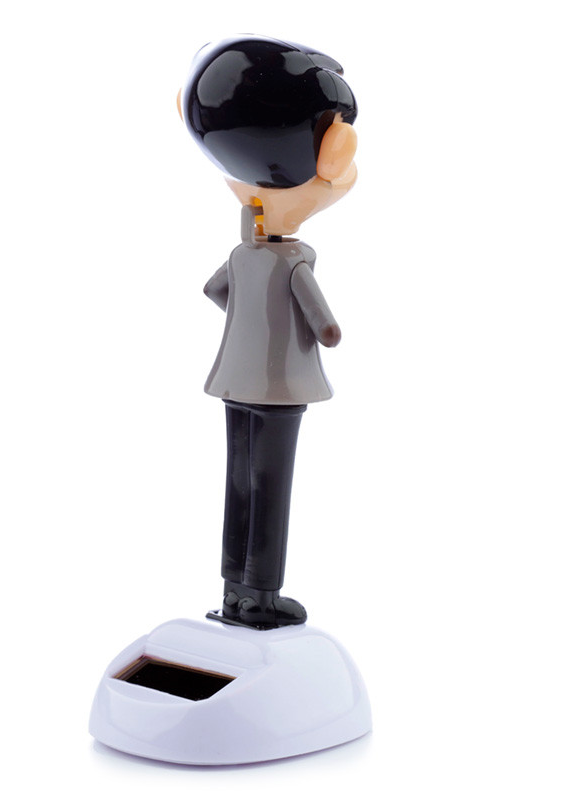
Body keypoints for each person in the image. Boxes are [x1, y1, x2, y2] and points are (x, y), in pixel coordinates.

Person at [179, 35, 358, 628]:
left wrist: (251, 327)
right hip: (280, 389)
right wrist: (320, 331)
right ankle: (260, 595)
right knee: (270, 486)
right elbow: (326, 328)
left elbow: (215, 293)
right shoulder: (293, 260)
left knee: (239, 482)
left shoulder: (243, 255)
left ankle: (233, 590)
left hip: (234, 381)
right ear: (331, 152)